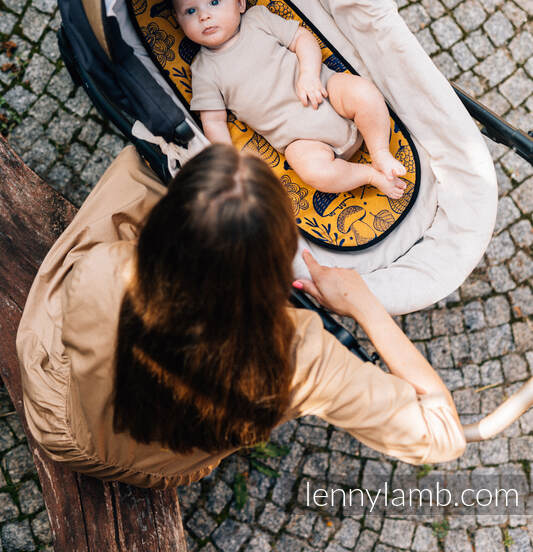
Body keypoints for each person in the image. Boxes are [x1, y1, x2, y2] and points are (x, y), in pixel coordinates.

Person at [17, 143, 465, 489]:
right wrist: (363, 305)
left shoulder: (102, 270)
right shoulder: (303, 356)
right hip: (160, 465)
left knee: (131, 172)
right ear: (278, 261)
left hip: (59, 416)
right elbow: (443, 436)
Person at [170, 0, 407, 199]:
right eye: (191, 11)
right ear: (179, 22)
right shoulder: (203, 70)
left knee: (363, 92)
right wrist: (228, 162)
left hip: (326, 91)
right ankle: (370, 175)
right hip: (300, 139)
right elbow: (214, 122)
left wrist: (309, 75)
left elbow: (302, 39)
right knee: (315, 172)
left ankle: (380, 152)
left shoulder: (257, 19)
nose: (204, 16)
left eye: (214, 2)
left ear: (239, 2)